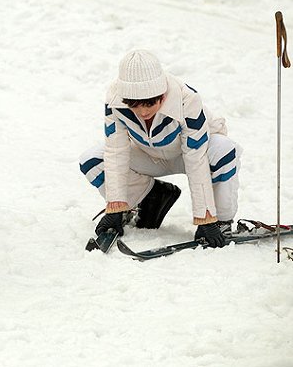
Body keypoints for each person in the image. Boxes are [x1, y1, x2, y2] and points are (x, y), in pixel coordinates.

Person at [79, 49, 241, 247]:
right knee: (92, 159)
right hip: (148, 154)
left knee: (224, 149)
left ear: (162, 95)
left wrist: (205, 216)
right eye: (135, 105)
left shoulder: (186, 98)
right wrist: (115, 206)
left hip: (190, 155)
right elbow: (116, 152)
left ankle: (221, 221)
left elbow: (196, 157)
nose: (143, 112)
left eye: (149, 103)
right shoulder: (115, 99)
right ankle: (150, 196)